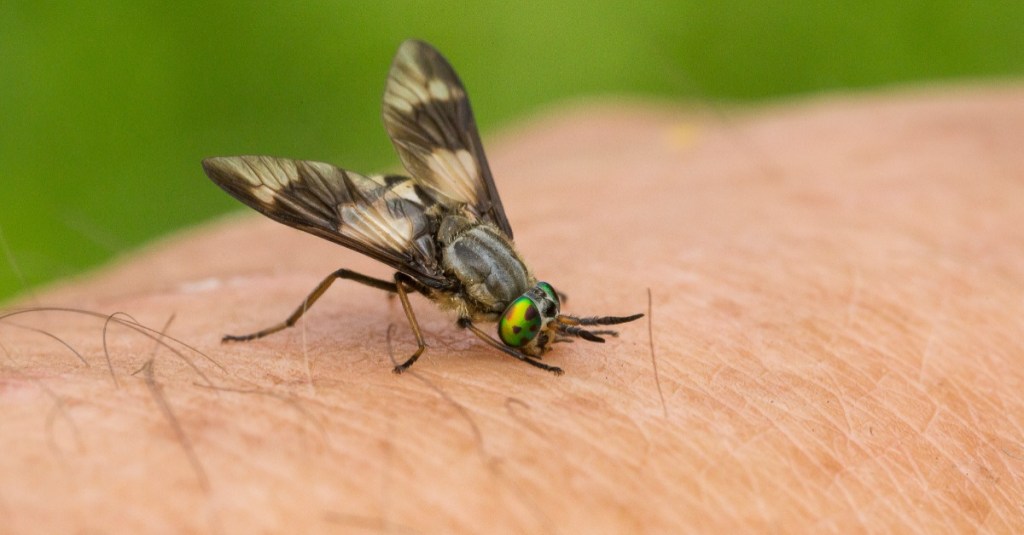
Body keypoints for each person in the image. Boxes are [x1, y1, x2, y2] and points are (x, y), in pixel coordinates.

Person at [2, 88, 1022, 532]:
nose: (538, 315)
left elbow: (479, 239)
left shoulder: (508, 282)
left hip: (453, 226)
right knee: (364, 266)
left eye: (536, 313)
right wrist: (409, 343)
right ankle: (281, 323)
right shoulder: (445, 288)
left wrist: (533, 317)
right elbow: (413, 284)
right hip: (409, 232)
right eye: (536, 314)